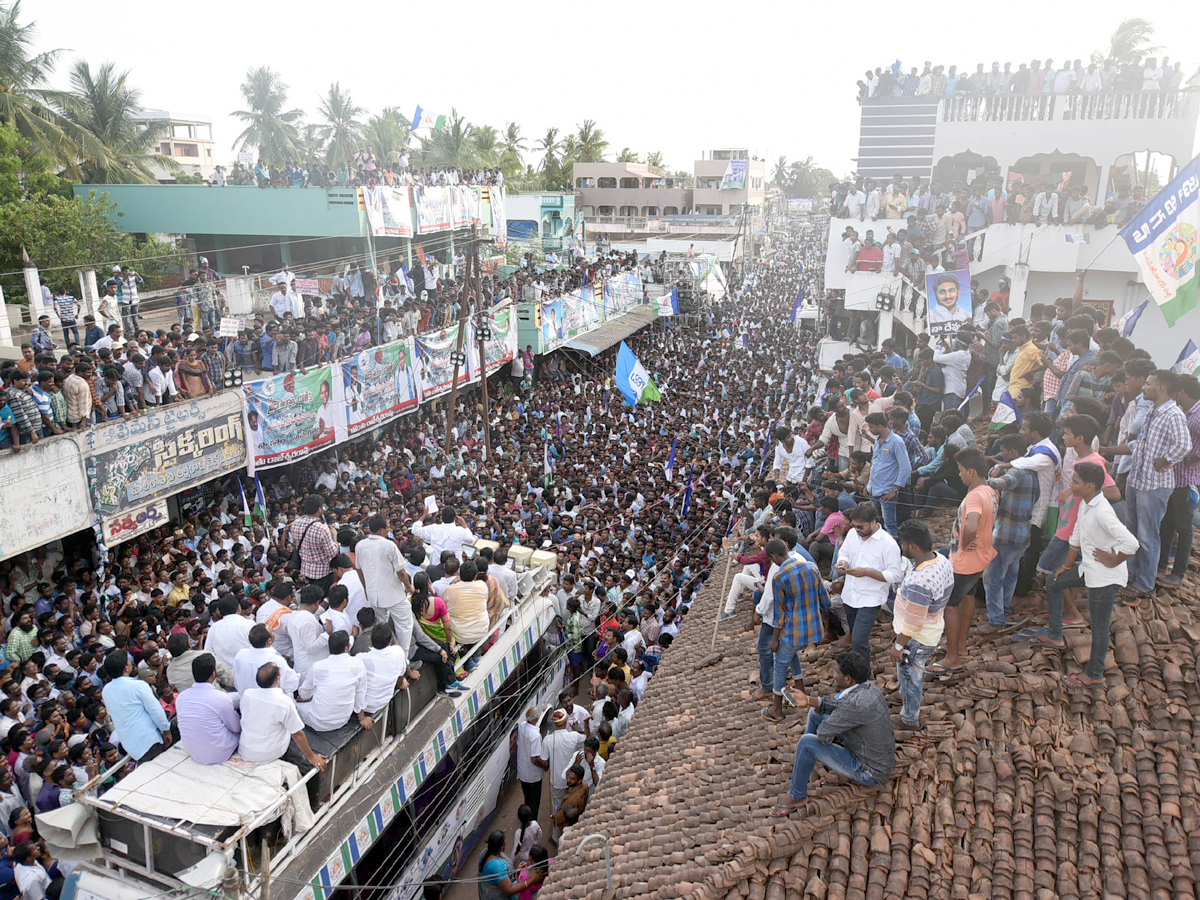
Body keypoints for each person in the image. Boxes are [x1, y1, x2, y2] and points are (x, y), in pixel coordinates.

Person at [1037, 462, 1139, 689]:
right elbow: (1075, 537)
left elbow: (1131, 543)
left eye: (1075, 482)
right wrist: (1065, 566)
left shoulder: (1102, 511)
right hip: (1089, 569)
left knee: (1099, 627)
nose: (1071, 485)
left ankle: (1094, 674)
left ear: (1090, 486)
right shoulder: (1085, 503)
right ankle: (1055, 634)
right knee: (1053, 581)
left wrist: (1113, 560)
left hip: (1104, 577)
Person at [770, 651, 896, 816]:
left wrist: (831, 733)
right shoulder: (869, 688)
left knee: (807, 742)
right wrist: (808, 700)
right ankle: (806, 762)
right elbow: (840, 707)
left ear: (848, 679)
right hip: (873, 753)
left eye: (837, 673)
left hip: (869, 772)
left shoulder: (855, 704)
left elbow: (823, 734)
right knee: (815, 713)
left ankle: (797, 796)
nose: (834, 675)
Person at [1103, 370, 1191, 602]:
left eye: (1149, 384)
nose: (1144, 387)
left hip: (1154, 486)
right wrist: (1110, 451)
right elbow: (1139, 445)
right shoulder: (1154, 411)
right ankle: (1130, 574)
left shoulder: (1173, 414)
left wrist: (1166, 460)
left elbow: (1184, 445)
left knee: (1148, 535)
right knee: (1131, 532)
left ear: (1161, 387)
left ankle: (1144, 583)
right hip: (1137, 480)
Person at [934, 450, 997, 675]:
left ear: (971, 471)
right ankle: (959, 645)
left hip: (965, 560)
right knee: (968, 596)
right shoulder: (990, 490)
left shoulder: (974, 496)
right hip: (981, 556)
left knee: (950, 606)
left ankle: (953, 658)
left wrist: (964, 543)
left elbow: (971, 525)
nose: (959, 475)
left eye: (960, 471)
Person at [891, 520, 954, 729]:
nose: (902, 547)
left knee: (911, 676)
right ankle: (905, 695)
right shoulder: (941, 559)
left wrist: (899, 645)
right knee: (908, 674)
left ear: (913, 547)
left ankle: (909, 719)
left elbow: (914, 621)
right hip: (932, 627)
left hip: (917, 638)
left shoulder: (920, 581)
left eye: (903, 544)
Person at [764, 539, 830, 723]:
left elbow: (780, 613)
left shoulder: (780, 577)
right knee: (790, 652)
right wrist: (826, 625)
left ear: (774, 556)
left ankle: (777, 708)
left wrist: (775, 639)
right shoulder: (811, 567)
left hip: (793, 630)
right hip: (813, 629)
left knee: (779, 665)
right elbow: (825, 600)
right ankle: (800, 687)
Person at [831, 503, 902, 675]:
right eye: (854, 526)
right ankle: (859, 669)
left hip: (871, 598)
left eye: (860, 527)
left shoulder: (888, 544)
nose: (857, 530)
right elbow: (845, 552)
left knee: (859, 639)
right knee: (856, 635)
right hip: (850, 595)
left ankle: (863, 676)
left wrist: (868, 573)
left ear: (873, 522)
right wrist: (843, 562)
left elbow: (895, 576)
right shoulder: (853, 535)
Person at [981, 435, 1037, 627]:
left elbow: (1000, 482)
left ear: (1013, 452)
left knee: (993, 577)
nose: (1002, 455)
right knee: (1010, 573)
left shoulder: (1017, 472)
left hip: (1006, 534)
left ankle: (996, 618)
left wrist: (987, 478)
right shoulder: (1031, 472)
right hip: (1022, 533)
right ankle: (1004, 607)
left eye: (1004, 451)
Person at [237, 662, 328, 774]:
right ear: (278, 678)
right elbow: (297, 734)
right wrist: (311, 756)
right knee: (289, 727)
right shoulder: (283, 702)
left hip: (245, 750)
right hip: (268, 754)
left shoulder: (247, 694)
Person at [355, 515, 415, 651]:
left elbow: (359, 570)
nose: (389, 529)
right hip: (393, 594)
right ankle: (403, 659)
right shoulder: (389, 545)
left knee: (381, 625)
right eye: (388, 527)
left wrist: (366, 588)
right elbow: (401, 572)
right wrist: (408, 586)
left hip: (373, 594)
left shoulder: (360, 545)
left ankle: (384, 652)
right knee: (404, 625)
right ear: (382, 529)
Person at [100, 650, 171, 762]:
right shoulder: (138, 685)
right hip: (148, 740)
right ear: (126, 668)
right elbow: (155, 711)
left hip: (131, 745)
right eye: (128, 661)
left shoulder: (106, 690)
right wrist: (166, 729)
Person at [296, 631, 373, 733]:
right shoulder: (358, 664)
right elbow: (360, 693)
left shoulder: (318, 667)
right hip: (343, 719)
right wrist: (362, 718)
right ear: (346, 648)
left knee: (293, 704)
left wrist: (300, 698)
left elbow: (304, 694)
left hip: (318, 722)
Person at [175, 653, 241, 765]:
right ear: (213, 674)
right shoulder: (220, 697)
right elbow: (236, 728)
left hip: (193, 752)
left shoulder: (181, 697)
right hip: (218, 754)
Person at [537, 709, 583, 840]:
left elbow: (544, 761)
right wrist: (577, 729)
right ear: (566, 721)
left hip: (557, 782)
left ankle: (556, 837)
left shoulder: (548, 740)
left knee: (557, 810)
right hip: (572, 782)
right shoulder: (574, 736)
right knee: (572, 808)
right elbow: (586, 737)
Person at [864, 412, 911, 536]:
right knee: (876, 523)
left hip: (887, 491)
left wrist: (895, 489)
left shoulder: (896, 442)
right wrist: (869, 485)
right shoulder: (878, 440)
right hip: (875, 490)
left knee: (890, 525)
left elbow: (905, 467)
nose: (870, 430)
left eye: (871, 427)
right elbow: (875, 464)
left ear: (880, 427)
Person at [477, 831, 537, 899]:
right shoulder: (498, 865)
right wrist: (531, 880)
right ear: (502, 845)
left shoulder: (485, 852)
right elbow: (510, 889)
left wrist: (516, 871)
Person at [516, 707, 546, 817]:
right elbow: (534, 759)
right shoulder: (535, 735)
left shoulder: (523, 725)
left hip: (523, 771)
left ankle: (526, 819)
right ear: (537, 718)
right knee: (534, 803)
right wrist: (544, 765)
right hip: (533, 776)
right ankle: (532, 824)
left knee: (527, 799)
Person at [512, 804, 543, 868]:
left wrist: (511, 862)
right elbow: (540, 836)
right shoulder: (535, 824)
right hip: (533, 854)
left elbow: (515, 850)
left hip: (524, 859)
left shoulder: (518, 833)